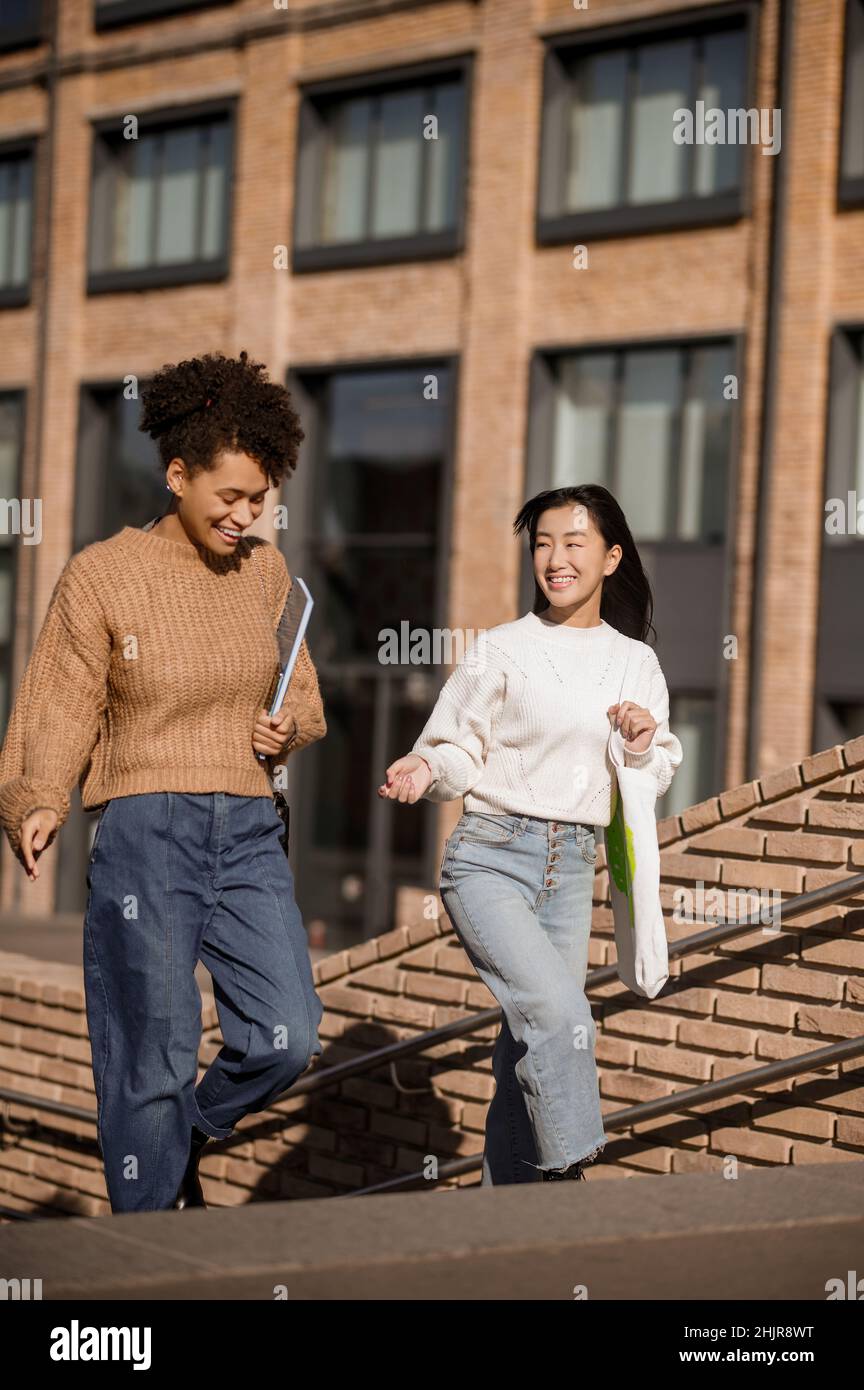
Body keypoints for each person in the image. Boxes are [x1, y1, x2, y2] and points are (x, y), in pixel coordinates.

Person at [0, 349, 327, 1213]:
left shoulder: (263, 572)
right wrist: (38, 798)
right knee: (152, 1048)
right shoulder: (103, 573)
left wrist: (284, 728)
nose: (248, 514)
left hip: (250, 827)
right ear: (178, 475)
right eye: (230, 496)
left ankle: (183, 1130)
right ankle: (150, 1252)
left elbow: (302, 694)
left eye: (261, 497)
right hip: (146, 830)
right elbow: (61, 702)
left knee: (287, 1033)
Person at [378, 484, 683, 1184]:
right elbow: (457, 746)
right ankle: (573, 1169)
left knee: (526, 1041)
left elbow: (657, 766)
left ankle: (510, 1218)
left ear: (610, 557)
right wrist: (425, 767)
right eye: (543, 543)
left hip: (574, 868)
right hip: (490, 856)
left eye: (573, 543)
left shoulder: (636, 662)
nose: (555, 558)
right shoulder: (502, 649)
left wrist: (637, 742)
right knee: (559, 1014)